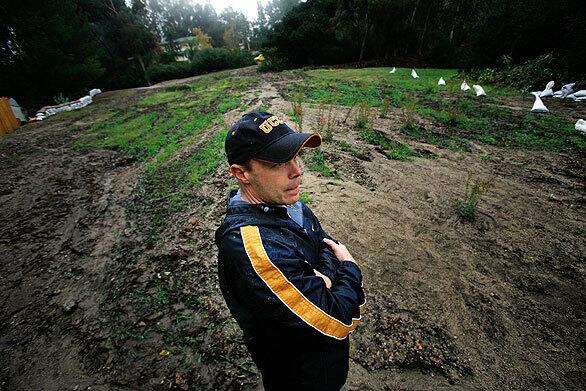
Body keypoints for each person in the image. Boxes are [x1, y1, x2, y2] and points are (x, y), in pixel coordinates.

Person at [215, 111, 365, 391]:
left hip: (324, 362)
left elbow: (323, 245)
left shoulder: (290, 205)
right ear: (241, 173)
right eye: (278, 163)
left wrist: (323, 278)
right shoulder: (253, 247)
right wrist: (348, 268)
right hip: (299, 374)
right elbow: (336, 318)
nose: (297, 171)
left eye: (295, 157)